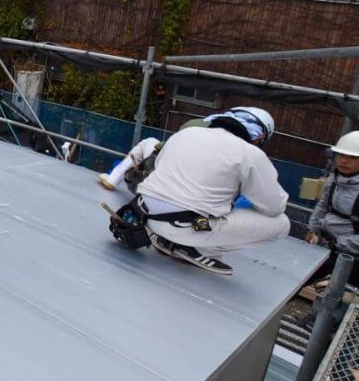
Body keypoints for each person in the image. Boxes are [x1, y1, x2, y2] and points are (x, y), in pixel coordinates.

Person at [133, 107, 289, 275]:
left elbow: (158, 167)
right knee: (281, 223)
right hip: (191, 226)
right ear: (258, 138)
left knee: (195, 210)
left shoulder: (186, 134)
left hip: (143, 213)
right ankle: (197, 249)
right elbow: (274, 206)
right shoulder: (250, 153)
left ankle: (170, 238)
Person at [306, 131, 359, 286]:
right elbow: (323, 205)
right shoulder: (335, 179)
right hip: (326, 247)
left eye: (352, 158)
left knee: (339, 299)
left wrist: (337, 244)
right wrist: (314, 229)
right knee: (293, 282)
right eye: (341, 155)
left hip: (352, 258)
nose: (344, 161)